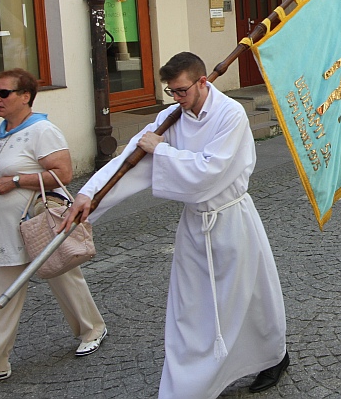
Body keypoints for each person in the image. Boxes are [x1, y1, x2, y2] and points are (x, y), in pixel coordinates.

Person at [63, 53, 288, 398]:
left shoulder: (231, 115)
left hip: (232, 220)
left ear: (203, 82)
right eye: (171, 92)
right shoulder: (171, 117)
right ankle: (190, 383)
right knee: (193, 306)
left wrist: (163, 152)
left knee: (251, 296)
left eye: (182, 90)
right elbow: (131, 161)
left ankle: (272, 356)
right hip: (196, 224)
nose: (176, 98)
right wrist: (88, 196)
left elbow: (210, 171)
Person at [0, 69, 107, 391]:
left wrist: (14, 181)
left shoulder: (42, 130)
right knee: (4, 298)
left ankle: (92, 329)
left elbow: (63, 173)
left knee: (66, 279)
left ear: (25, 96)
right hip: (4, 232)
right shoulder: (0, 132)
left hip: (39, 226)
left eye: (4, 93)